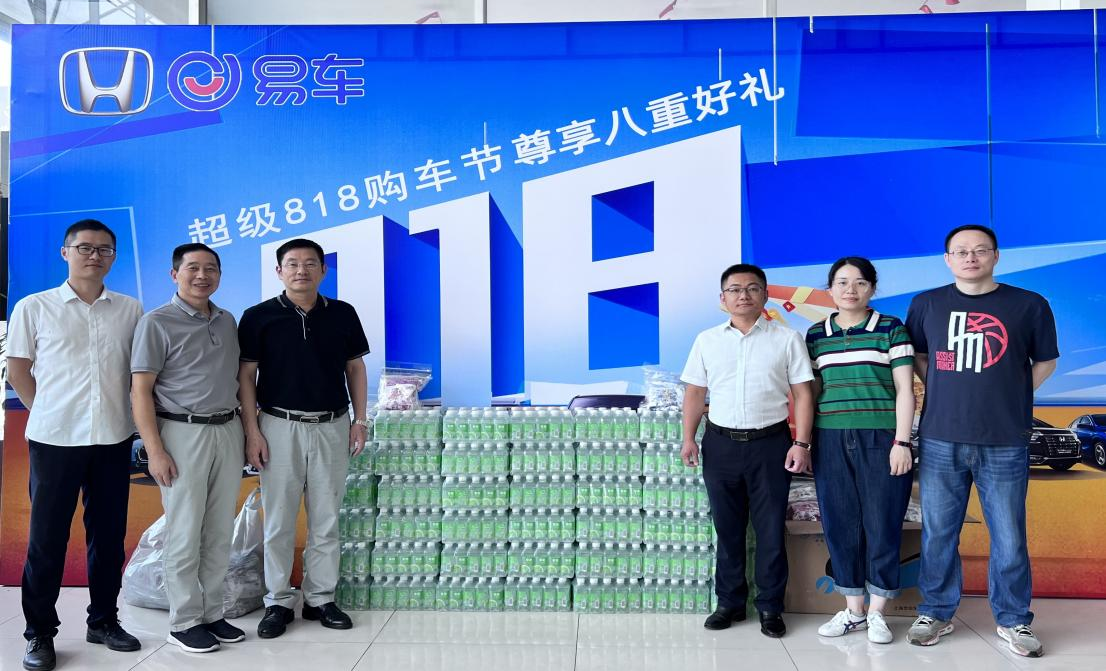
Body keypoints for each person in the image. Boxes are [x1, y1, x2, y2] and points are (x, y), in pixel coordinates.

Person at [905, 224, 1057, 658]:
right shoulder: (927, 304)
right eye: (961, 251)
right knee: (939, 533)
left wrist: (1013, 393)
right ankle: (935, 612)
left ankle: (1013, 619)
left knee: (1008, 535)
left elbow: (1046, 360)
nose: (970, 257)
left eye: (980, 250)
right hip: (940, 437)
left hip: (1005, 439)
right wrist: (940, 388)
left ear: (996, 255)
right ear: (947, 259)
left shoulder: (1028, 304)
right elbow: (919, 356)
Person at [7, 220, 144, 671]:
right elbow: (18, 371)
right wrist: (48, 411)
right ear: (65, 252)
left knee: (108, 537)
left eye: (104, 249)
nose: (94, 256)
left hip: (112, 438)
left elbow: (137, 373)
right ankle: (39, 633)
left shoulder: (129, 309)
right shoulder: (35, 306)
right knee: (47, 540)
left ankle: (103, 621)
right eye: (85, 248)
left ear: (113, 257)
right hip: (55, 440)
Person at [237, 238, 370, 638]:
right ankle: (278, 601)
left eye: (310, 263)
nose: (301, 270)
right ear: (279, 271)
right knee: (279, 520)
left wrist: (360, 420)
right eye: (292, 263)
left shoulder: (343, 313)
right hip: (279, 425)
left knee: (326, 518)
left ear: (323, 270)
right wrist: (252, 431)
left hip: (333, 424)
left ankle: (320, 599)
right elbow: (246, 377)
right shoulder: (258, 317)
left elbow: (355, 369)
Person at [680, 263, 814, 637]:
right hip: (720, 444)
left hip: (771, 444)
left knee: (770, 530)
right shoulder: (707, 340)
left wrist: (802, 443)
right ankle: (730, 603)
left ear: (765, 295)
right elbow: (695, 393)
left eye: (753, 288)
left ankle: (770, 607)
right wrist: (689, 438)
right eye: (735, 289)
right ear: (723, 298)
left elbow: (803, 394)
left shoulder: (787, 339)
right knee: (728, 528)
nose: (744, 295)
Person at [130, 243, 247, 654]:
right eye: (192, 268)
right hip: (181, 433)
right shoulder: (156, 322)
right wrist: (155, 450)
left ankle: (212, 613)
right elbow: (140, 391)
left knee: (219, 529)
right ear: (174, 274)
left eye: (210, 268)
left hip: (227, 429)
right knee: (183, 531)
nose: (202, 276)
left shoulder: (226, 320)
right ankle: (183, 622)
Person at [804, 257, 916, 644]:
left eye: (860, 282)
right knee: (840, 522)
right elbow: (811, 393)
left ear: (872, 288)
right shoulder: (816, 334)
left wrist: (902, 441)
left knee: (882, 522)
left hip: (881, 438)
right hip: (830, 438)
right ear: (830, 289)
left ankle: (878, 612)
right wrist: (805, 440)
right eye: (842, 282)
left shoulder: (890, 328)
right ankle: (853, 610)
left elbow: (905, 390)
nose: (850, 290)